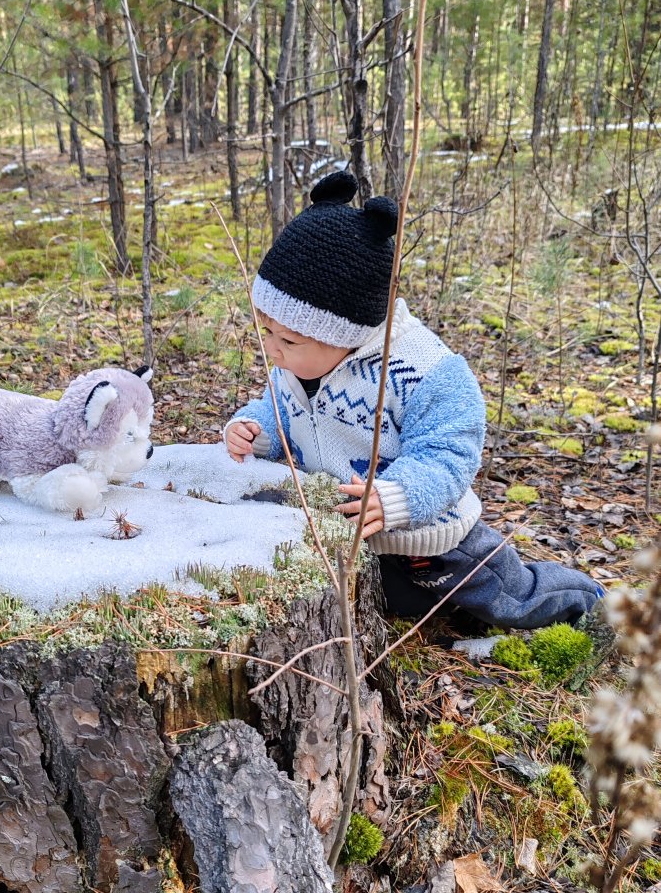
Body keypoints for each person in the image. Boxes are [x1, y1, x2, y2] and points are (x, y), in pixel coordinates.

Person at [223, 171, 603, 631]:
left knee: (510, 600)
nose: (272, 349)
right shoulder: (296, 362)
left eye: (287, 339)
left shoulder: (423, 371)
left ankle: (594, 603)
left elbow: (449, 450)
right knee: (404, 608)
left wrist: (399, 496)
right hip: (352, 538)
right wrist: (257, 429)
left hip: (431, 539)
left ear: (344, 335)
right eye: (267, 332)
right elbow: (280, 408)